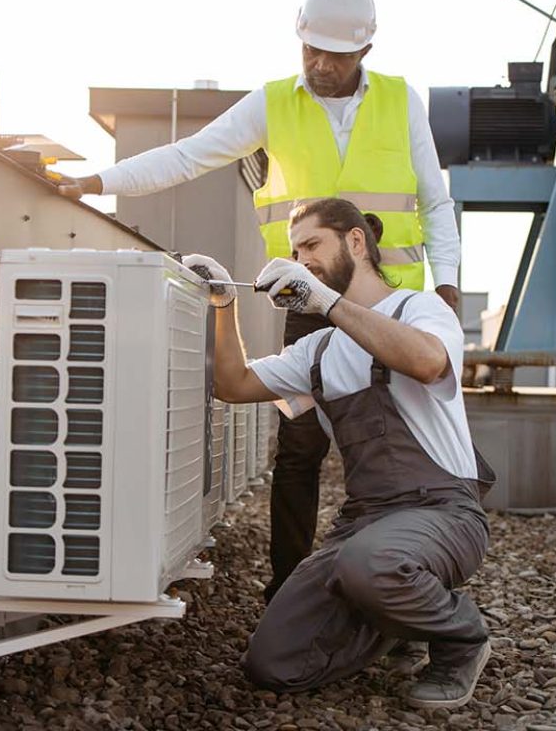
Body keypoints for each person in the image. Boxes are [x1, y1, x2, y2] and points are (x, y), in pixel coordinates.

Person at [59, 0, 463, 604]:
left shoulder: (400, 100)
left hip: (391, 307)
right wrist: (95, 181)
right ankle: (288, 589)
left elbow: (436, 202)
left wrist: (448, 288)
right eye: (310, 50)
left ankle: (410, 588)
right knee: (299, 446)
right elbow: (190, 156)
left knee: (399, 450)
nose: (320, 64)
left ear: (364, 53)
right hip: (308, 308)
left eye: (334, 54)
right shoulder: (274, 102)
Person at [182, 198, 494, 709]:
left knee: (370, 564)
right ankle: (396, 617)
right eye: (294, 250)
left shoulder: (419, 308)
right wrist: (222, 305)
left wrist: (327, 301)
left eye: (311, 245)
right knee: (273, 663)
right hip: (364, 522)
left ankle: (461, 639)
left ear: (354, 242)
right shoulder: (320, 348)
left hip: (443, 512)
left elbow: (427, 361)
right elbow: (234, 384)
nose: (301, 259)